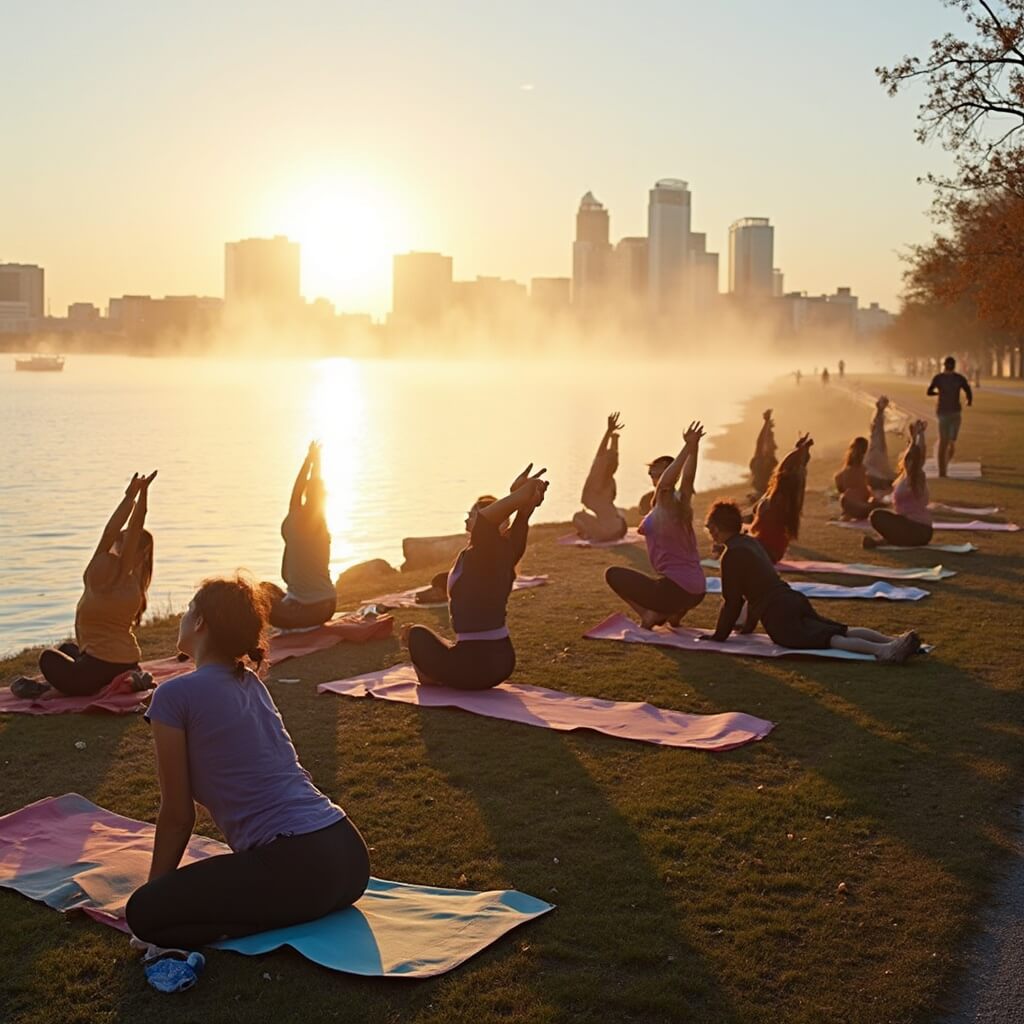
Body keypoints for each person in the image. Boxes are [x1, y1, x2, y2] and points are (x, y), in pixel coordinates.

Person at [124, 574, 370, 949]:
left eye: (189, 608)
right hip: (350, 859)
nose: (183, 616)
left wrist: (157, 894)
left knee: (144, 913)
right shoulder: (251, 684)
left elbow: (177, 814)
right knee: (172, 906)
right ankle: (277, 912)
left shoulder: (173, 696)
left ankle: (244, 921)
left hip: (299, 865)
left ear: (201, 622)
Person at [700, 501, 920, 663]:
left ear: (716, 529)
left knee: (830, 638)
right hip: (792, 599)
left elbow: (732, 601)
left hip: (779, 614)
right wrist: (747, 628)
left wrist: (719, 636)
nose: (711, 535)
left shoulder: (731, 555)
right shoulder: (750, 542)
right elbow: (752, 591)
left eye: (710, 530)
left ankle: (883, 651)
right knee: (840, 630)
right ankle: (893, 641)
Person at [10, 472, 157, 700]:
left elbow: (116, 530)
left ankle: (54, 690)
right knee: (68, 649)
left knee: (48, 658)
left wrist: (131, 496)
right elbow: (134, 526)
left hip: (98, 668)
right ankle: (126, 679)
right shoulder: (128, 577)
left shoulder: (99, 570)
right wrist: (140, 495)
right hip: (126, 660)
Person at [405, 465, 548, 689]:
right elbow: (522, 517)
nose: (468, 519)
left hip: (474, 665)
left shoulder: (483, 552)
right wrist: (522, 499)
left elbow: (487, 521)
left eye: (471, 515)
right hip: (502, 661)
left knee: (416, 635)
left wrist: (517, 496)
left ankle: (434, 678)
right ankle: (444, 669)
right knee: (438, 640)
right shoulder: (505, 551)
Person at [606, 422, 707, 629]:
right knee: (661, 585)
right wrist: (694, 447)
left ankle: (648, 615)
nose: (653, 477)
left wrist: (688, 448)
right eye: (650, 474)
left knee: (613, 574)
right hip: (698, 590)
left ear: (669, 473)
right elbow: (688, 478)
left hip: (676, 590)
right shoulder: (681, 503)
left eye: (656, 473)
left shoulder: (666, 503)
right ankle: (675, 613)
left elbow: (672, 481)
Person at [261, 442, 337, 630]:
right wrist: (314, 460)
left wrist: (310, 461)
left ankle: (298, 620)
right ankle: (295, 610)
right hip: (327, 604)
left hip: (310, 610)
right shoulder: (318, 520)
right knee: (265, 589)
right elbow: (311, 485)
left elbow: (300, 487)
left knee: (259, 596)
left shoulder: (299, 515)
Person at [413, 495, 500, 605]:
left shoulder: (484, 545)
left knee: (440, 580)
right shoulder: (479, 541)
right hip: (469, 581)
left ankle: (441, 593)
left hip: (473, 584)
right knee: (439, 579)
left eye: (471, 516)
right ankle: (441, 592)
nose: (466, 520)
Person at [863, 421, 933, 548]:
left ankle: (884, 541)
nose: (910, 463)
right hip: (909, 525)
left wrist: (920, 435)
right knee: (877, 515)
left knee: (877, 516)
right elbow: (913, 452)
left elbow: (920, 454)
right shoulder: (902, 478)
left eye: (913, 461)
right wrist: (913, 438)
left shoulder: (917, 476)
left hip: (919, 529)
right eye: (907, 460)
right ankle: (886, 541)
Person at [748, 434, 813, 563]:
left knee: (732, 539)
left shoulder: (779, 499)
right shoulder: (790, 497)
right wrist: (800, 450)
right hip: (772, 551)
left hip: (765, 551)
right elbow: (799, 473)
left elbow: (759, 448)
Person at [572, 413, 628, 542]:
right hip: (620, 528)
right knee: (614, 514)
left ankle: (590, 534)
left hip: (607, 531)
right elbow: (612, 457)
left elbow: (601, 452)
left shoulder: (596, 477)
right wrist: (614, 437)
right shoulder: (610, 481)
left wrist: (609, 432)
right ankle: (597, 532)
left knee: (577, 517)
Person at [927, 356, 973, 477]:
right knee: (950, 442)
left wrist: (939, 393)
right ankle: (943, 468)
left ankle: (943, 468)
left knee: (944, 441)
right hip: (954, 412)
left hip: (943, 411)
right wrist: (969, 400)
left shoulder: (939, 378)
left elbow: (929, 391)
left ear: (944, 365)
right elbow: (968, 390)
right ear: (954, 365)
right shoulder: (958, 378)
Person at [834, 437, 884, 520]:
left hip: (854, 504)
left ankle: (856, 511)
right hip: (857, 504)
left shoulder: (846, 472)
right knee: (873, 504)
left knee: (870, 503)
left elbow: (840, 484)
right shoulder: (863, 469)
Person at [864, 394, 895, 492]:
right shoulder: (878, 414)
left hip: (877, 438)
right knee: (877, 458)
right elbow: (877, 429)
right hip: (877, 439)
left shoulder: (879, 413)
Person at [749, 408, 778, 497]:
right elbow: (762, 440)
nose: (775, 447)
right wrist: (767, 422)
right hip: (763, 488)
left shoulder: (767, 459)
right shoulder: (761, 459)